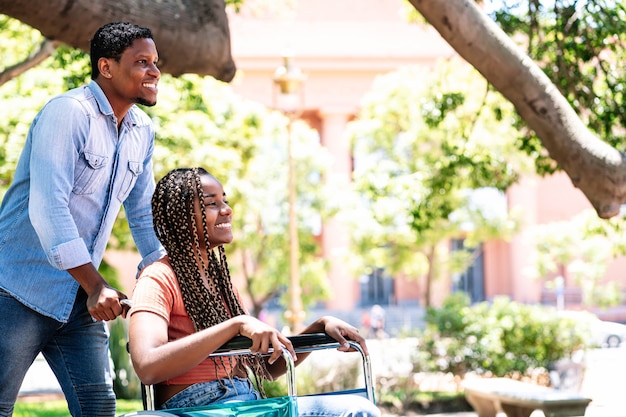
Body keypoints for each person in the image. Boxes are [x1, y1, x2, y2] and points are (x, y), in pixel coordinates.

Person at [0, 22, 166, 416]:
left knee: (98, 409)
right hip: (16, 291)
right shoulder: (68, 114)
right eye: (142, 62)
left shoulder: (142, 130)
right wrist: (95, 286)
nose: (155, 72)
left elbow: (142, 212)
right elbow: (49, 209)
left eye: (156, 62)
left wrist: (162, 279)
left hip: (79, 301)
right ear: (106, 67)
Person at [128, 167, 381, 417]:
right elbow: (148, 365)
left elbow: (265, 369)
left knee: (358, 410)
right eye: (212, 203)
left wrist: (319, 327)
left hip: (248, 402)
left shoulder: (222, 283)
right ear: (181, 217)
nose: (227, 210)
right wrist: (235, 326)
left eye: (224, 201)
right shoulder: (158, 278)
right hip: (199, 407)